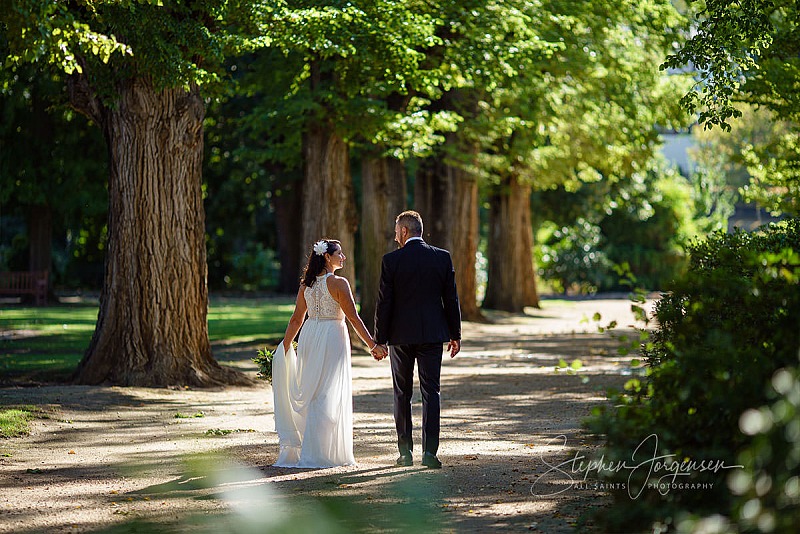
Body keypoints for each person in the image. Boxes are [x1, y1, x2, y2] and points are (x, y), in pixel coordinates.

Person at [272, 238, 380, 468]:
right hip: (332, 335)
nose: (343, 257)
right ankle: (321, 452)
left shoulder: (306, 286)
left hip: (310, 335)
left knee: (313, 390)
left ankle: (312, 449)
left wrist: (286, 345)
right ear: (327, 257)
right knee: (328, 391)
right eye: (339, 253)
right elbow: (353, 318)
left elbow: (296, 320)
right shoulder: (339, 283)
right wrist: (372, 345)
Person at [373, 210, 462, 469]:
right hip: (433, 335)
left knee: (402, 393)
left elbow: (384, 303)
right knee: (430, 392)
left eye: (396, 230)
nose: (394, 235)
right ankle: (430, 454)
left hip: (400, 337)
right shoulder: (441, 257)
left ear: (404, 231)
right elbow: (451, 299)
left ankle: (405, 453)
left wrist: (380, 339)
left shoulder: (391, 261)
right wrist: (455, 334)